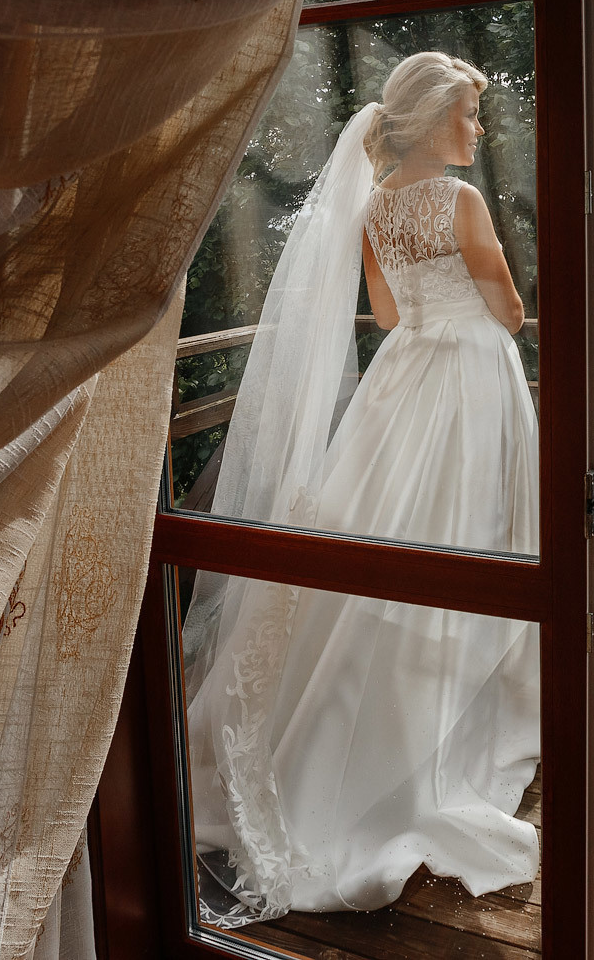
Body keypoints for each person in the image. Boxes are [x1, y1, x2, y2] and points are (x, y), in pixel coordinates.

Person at [178, 52, 540, 927]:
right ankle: (433, 717)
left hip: (402, 377)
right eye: (468, 115)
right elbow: (510, 310)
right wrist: (477, 306)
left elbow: (384, 314)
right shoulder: (462, 201)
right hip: (469, 378)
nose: (478, 130)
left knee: (381, 532)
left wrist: (431, 303)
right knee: (467, 530)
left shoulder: (376, 205)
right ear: (434, 119)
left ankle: (353, 713)